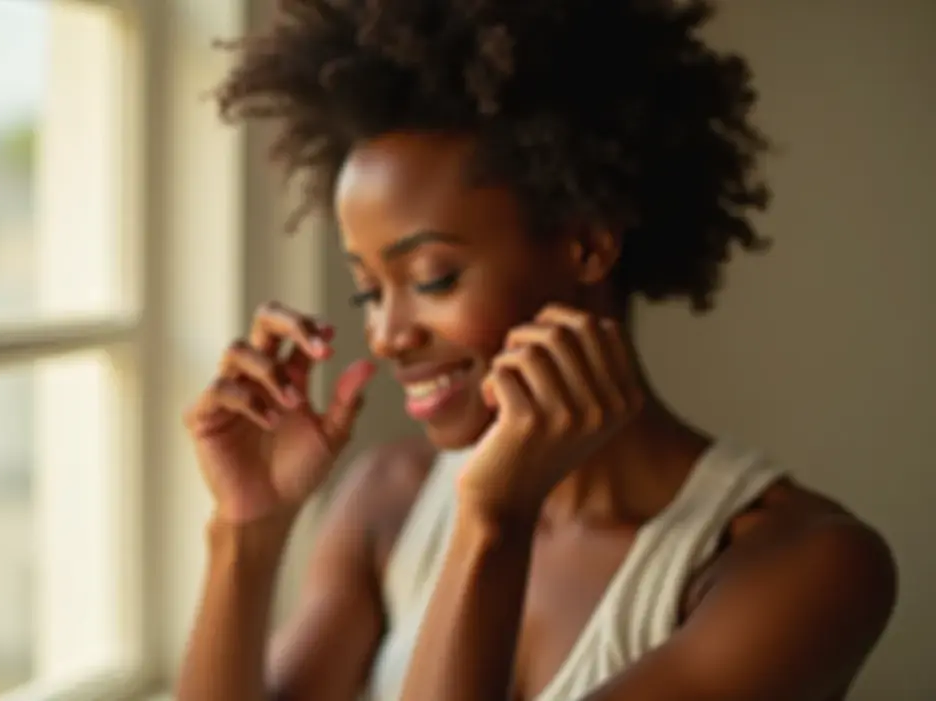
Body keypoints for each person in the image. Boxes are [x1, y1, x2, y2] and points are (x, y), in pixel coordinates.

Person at [177, 1, 897, 699]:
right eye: (370, 290)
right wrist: (246, 531)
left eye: (434, 278)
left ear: (588, 244)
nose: (387, 333)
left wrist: (494, 520)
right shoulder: (390, 498)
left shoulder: (807, 566)